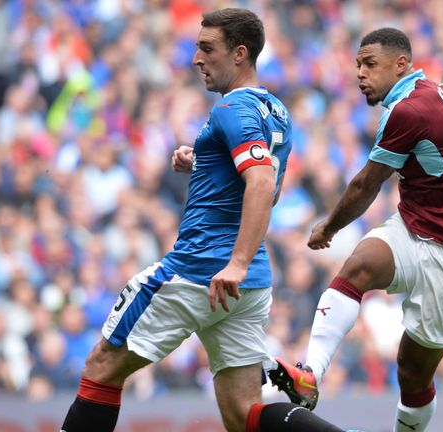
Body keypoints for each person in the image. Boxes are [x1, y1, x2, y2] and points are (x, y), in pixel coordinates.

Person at [60, 8, 294, 432]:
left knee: (102, 365)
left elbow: (261, 183)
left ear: (240, 53)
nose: (195, 58)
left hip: (203, 270)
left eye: (207, 48)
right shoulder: (274, 110)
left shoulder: (231, 109)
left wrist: (234, 261)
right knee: (244, 415)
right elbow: (259, 183)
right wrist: (205, 163)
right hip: (249, 281)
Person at [269, 28, 443, 432]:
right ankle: (309, 375)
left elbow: (366, 185)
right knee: (360, 265)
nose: (360, 73)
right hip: (415, 227)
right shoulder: (429, 93)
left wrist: (328, 227)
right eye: (357, 64)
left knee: (412, 372)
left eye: (370, 64)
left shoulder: (410, 111)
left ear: (400, 65)